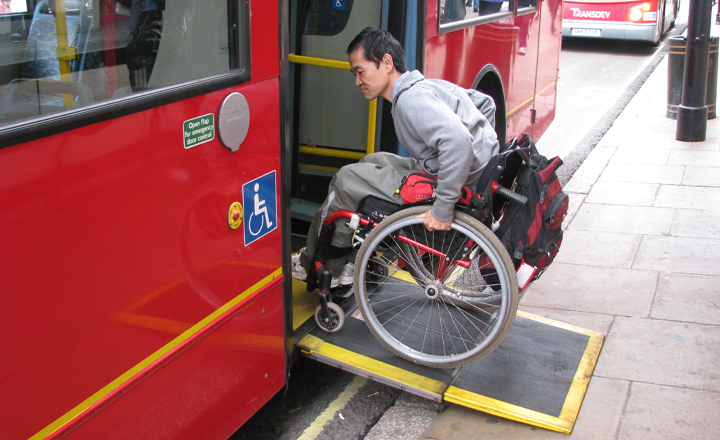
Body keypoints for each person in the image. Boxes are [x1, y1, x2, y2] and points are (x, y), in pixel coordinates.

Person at [291, 27, 499, 288]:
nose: (357, 81)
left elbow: (458, 142)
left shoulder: (411, 100)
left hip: (449, 180)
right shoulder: (424, 85)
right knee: (371, 162)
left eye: (360, 71)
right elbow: (485, 103)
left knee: (346, 179)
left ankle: (324, 267)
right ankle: (352, 259)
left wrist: (444, 206)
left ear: (387, 63)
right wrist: (484, 155)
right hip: (461, 172)